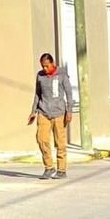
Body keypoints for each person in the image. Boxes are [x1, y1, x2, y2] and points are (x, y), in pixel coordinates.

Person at [27, 52, 75, 180]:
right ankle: (49, 167)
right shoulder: (40, 76)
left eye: (47, 66)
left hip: (59, 113)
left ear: (52, 63)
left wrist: (69, 111)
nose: (45, 69)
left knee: (60, 143)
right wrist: (33, 111)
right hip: (43, 112)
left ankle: (61, 170)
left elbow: (69, 94)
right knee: (41, 139)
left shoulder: (62, 74)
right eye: (43, 66)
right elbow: (37, 95)